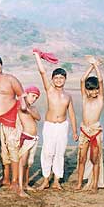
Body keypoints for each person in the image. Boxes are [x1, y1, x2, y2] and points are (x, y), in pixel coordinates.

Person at [33, 49, 78, 191]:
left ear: (65, 79)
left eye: (61, 78)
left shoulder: (68, 96)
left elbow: (71, 114)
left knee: (60, 153)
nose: (59, 80)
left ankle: (57, 180)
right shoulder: (50, 90)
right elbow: (42, 72)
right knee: (47, 152)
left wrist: (75, 132)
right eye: (56, 78)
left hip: (62, 126)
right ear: (52, 80)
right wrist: (37, 56)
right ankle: (46, 179)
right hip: (50, 126)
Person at [0, 54, 28, 193]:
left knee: (13, 149)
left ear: (1, 65)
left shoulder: (10, 79)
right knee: (3, 150)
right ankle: (6, 178)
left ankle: (15, 180)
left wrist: (24, 114)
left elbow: (22, 96)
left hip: (12, 119)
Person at [75, 55, 104, 193]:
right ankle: (79, 184)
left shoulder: (100, 99)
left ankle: (94, 186)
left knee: (95, 159)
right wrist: (92, 65)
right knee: (81, 158)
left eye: (96, 89)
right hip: (84, 131)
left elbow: (100, 80)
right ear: (87, 90)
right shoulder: (84, 99)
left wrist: (97, 67)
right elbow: (82, 80)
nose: (94, 92)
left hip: (95, 131)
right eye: (91, 89)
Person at [17, 86, 41, 197]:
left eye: (36, 97)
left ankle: (26, 184)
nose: (34, 99)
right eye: (32, 96)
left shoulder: (33, 108)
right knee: (22, 162)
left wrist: (29, 109)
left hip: (34, 138)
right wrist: (22, 97)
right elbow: (23, 107)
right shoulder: (21, 106)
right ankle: (20, 188)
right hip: (26, 137)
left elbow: (38, 117)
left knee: (28, 164)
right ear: (27, 94)